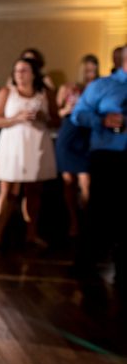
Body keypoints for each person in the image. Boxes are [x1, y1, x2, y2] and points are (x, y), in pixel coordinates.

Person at [0, 57, 58, 250]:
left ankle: (31, 234)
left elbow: (57, 121)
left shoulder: (44, 94)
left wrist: (45, 118)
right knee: (6, 191)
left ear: (34, 73)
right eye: (16, 70)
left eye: (24, 70)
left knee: (34, 192)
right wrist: (16, 118)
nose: (19, 74)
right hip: (12, 146)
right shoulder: (6, 92)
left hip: (36, 145)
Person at [71, 46, 127, 281]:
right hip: (109, 154)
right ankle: (87, 262)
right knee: (101, 209)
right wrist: (102, 119)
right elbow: (78, 114)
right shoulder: (102, 86)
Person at [55, 54, 99, 236]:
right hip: (69, 134)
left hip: (87, 135)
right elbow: (57, 112)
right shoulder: (68, 87)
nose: (90, 74)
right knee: (68, 182)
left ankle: (88, 220)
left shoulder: (99, 87)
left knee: (86, 181)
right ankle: (73, 221)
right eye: (87, 70)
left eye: (94, 70)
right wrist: (68, 108)